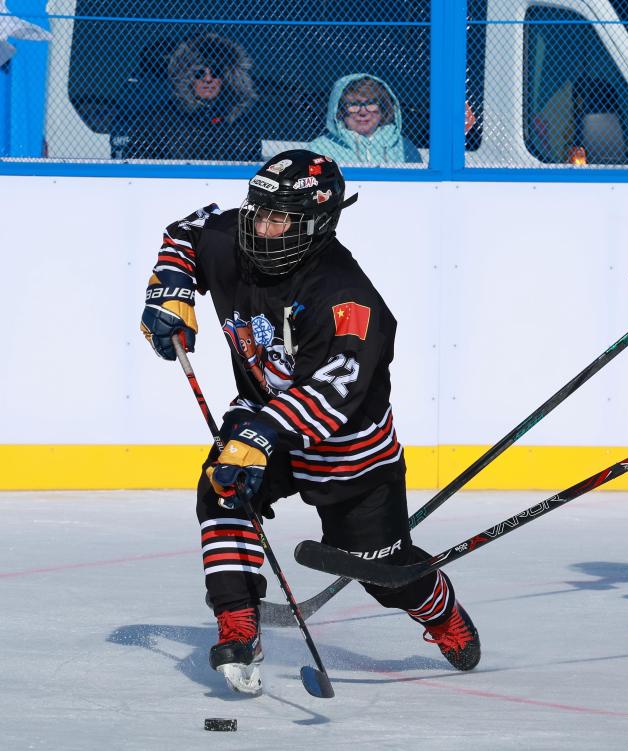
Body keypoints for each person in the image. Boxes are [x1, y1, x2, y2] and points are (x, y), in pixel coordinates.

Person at [139, 149, 479, 695]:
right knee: (222, 489)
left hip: (347, 447)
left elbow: (334, 394)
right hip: (260, 415)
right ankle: (237, 622)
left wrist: (262, 433)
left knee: (382, 573)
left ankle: (438, 610)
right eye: (257, 210)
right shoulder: (237, 238)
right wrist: (170, 290)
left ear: (317, 224)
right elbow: (187, 231)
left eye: (278, 218)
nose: (260, 226)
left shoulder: (350, 299)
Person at [122, 32, 261, 162]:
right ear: (186, 77)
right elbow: (136, 164)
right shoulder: (157, 122)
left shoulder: (242, 125)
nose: (208, 79)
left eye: (216, 72)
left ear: (226, 77)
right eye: (199, 73)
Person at [308, 73, 421, 164]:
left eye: (371, 103)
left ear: (383, 108)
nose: (363, 112)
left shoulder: (404, 147)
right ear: (340, 110)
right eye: (353, 104)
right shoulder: (319, 149)